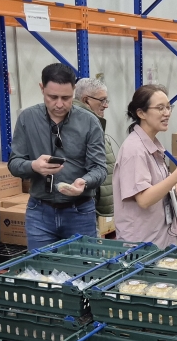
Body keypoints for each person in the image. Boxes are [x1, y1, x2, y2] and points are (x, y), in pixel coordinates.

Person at [9, 63, 108, 247]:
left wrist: (83, 182)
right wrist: (33, 166)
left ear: (74, 91)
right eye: (52, 97)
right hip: (39, 213)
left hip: (80, 211)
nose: (60, 104)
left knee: (85, 271)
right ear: (42, 88)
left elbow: (100, 168)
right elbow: (14, 163)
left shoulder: (89, 122)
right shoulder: (27, 119)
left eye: (66, 97)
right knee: (40, 271)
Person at [113, 85, 177, 247]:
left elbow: (152, 188)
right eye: (160, 108)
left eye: (168, 107)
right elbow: (144, 199)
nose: (167, 113)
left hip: (158, 237)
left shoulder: (151, 145)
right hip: (142, 243)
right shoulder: (135, 150)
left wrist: (171, 191)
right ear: (141, 113)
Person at [73, 77, 116, 229]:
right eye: (102, 100)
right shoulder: (80, 125)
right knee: (94, 249)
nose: (106, 105)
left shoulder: (91, 123)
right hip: (88, 208)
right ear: (86, 100)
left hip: (95, 207)